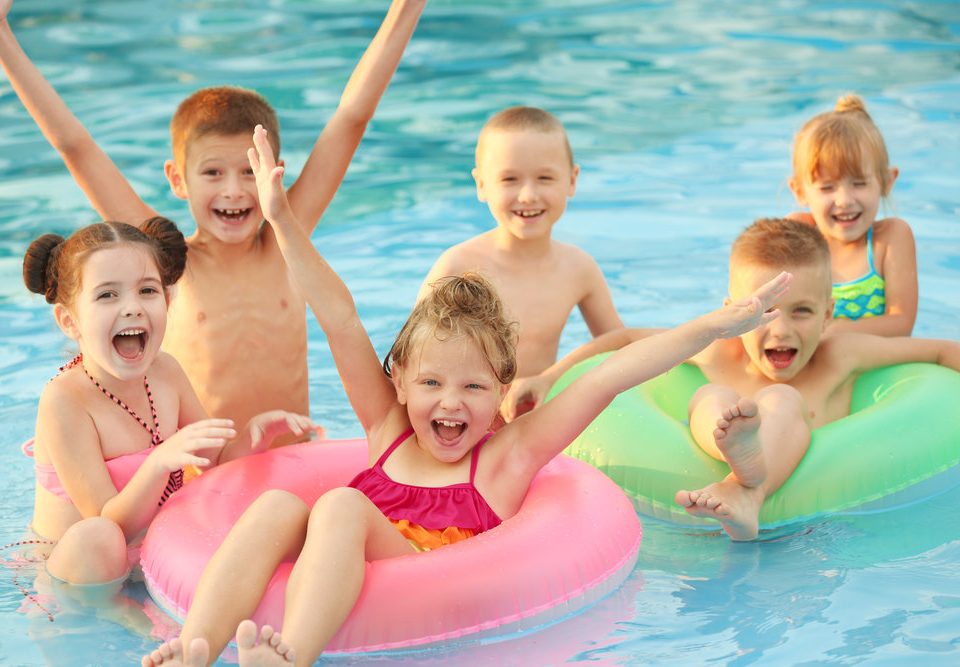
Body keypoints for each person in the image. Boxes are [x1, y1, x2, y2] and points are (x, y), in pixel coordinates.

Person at [138, 126, 790, 667]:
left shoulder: (507, 458)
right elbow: (337, 313)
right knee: (279, 502)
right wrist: (280, 219)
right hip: (349, 554)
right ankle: (197, 647)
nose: (450, 404)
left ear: (502, 391)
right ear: (398, 380)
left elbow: (609, 374)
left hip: (436, 596)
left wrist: (715, 324)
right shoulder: (387, 426)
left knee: (336, 505)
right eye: (430, 383)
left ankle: (294, 656)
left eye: (474, 386)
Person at [0, 0, 426, 433]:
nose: (234, 190)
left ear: (274, 171)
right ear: (178, 179)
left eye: (249, 170)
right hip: (209, 476)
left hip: (294, 463)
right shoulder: (163, 261)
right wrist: (3, 38)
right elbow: (77, 148)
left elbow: (352, 117)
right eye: (213, 173)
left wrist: (407, 8)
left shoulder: (287, 239)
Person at [506, 218, 959, 541]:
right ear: (732, 312)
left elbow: (940, 351)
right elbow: (623, 339)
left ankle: (747, 487)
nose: (780, 330)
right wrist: (550, 376)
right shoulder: (713, 349)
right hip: (732, 515)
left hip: (814, 524)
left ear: (829, 314)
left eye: (802, 311)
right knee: (710, 396)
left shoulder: (841, 354)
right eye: (761, 313)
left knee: (780, 399)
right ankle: (738, 451)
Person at [21, 218, 315, 587]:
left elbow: (215, 462)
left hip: (155, 555)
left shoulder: (166, 372)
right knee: (95, 537)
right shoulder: (65, 400)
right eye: (107, 295)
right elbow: (110, 524)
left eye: (147, 291)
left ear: (168, 299)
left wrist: (256, 436)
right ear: (70, 321)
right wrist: (160, 461)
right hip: (76, 574)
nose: (132, 307)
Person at [419, 106, 623, 421]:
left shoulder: (578, 268)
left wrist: (554, 376)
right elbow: (414, 360)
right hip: (467, 424)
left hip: (536, 420)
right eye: (509, 179)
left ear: (571, 180)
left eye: (544, 178)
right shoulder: (458, 266)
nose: (527, 195)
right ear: (482, 185)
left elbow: (619, 349)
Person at [788, 94, 917, 336]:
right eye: (827, 187)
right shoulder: (798, 235)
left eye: (859, 184)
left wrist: (834, 331)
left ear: (887, 182)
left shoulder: (890, 240)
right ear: (800, 191)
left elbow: (901, 323)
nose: (845, 200)